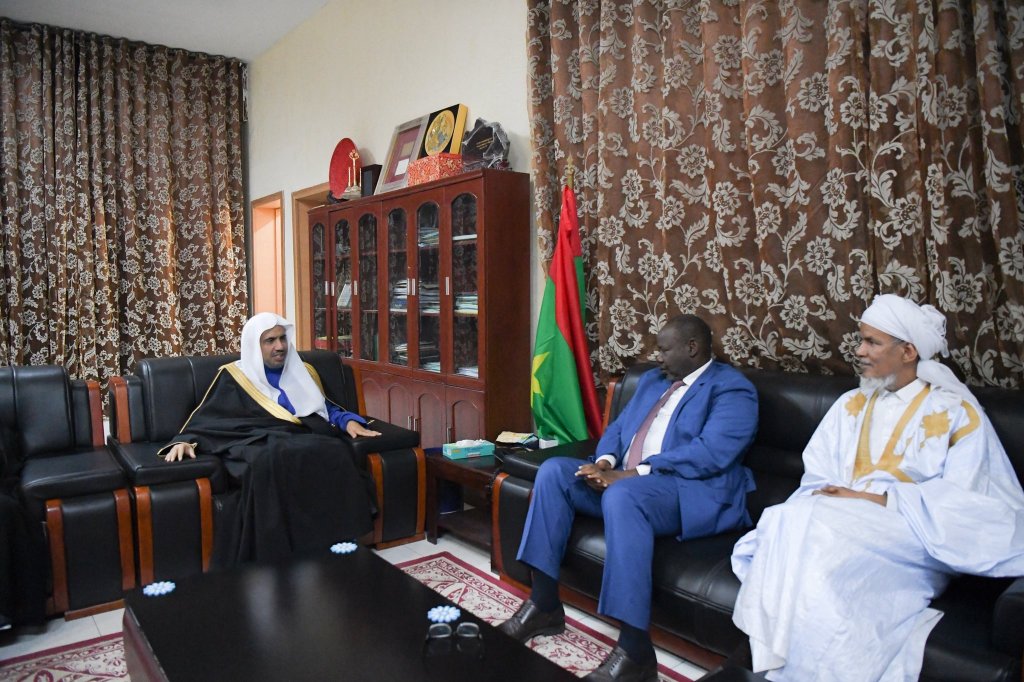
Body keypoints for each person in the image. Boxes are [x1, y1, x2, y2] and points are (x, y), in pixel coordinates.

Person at [731, 294, 1024, 681]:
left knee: (808, 528)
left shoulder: (954, 412)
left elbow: (970, 501)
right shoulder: (850, 405)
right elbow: (818, 478)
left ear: (908, 351)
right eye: (861, 340)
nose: (859, 351)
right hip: (835, 520)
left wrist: (877, 498)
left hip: (912, 533)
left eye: (872, 342)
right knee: (789, 518)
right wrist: (842, 501)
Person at [500, 314, 758, 682]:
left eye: (665, 349)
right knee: (556, 471)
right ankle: (543, 604)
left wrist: (631, 474)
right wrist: (603, 462)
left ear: (692, 348)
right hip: (627, 482)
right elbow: (619, 428)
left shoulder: (732, 389)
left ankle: (635, 651)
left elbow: (712, 453)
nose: (658, 357)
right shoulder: (654, 380)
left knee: (623, 496)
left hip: (688, 491)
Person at [162, 312, 381, 565]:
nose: (280, 347)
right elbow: (208, 418)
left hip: (302, 436)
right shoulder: (234, 376)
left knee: (334, 450)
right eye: (270, 341)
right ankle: (276, 551)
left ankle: (338, 542)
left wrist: (348, 421)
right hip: (256, 441)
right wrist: (184, 440)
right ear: (255, 346)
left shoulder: (303, 371)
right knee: (268, 459)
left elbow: (326, 407)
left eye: (282, 339)